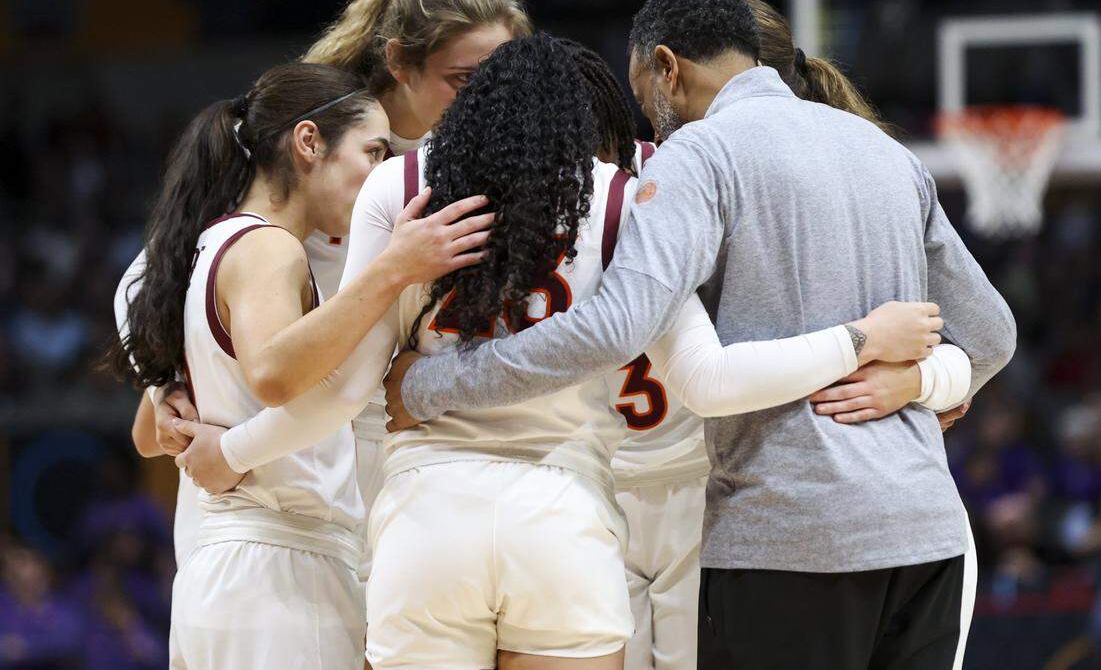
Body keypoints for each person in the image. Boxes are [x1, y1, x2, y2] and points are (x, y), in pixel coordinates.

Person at [176, 34, 959, 668]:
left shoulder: (402, 184)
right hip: (565, 514)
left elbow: (349, 391)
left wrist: (237, 447)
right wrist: (877, 346)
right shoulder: (627, 196)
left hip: (427, 517)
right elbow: (709, 379)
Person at [383, 0, 1017, 670]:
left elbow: (613, 329)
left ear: (667, 68)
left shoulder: (700, 154)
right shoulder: (888, 153)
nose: (650, 129)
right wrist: (920, 381)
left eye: (642, 92)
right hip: (926, 533)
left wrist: (435, 383)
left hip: (788, 532)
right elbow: (992, 335)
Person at [119, 0, 531, 573]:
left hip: (377, 441)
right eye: (464, 80)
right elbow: (145, 279)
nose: (489, 102)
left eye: (503, 79)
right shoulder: (309, 133)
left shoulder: (483, 155)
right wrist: (163, 382)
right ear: (399, 61)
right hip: (256, 462)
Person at [110, 61, 490, 668]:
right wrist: (395, 267)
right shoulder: (268, 247)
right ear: (309, 142)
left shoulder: (209, 242)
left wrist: (180, 417)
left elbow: (146, 433)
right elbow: (273, 373)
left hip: (223, 570)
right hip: (277, 570)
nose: (378, 175)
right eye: (371, 152)